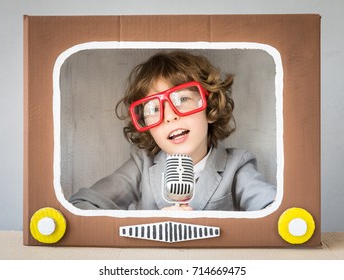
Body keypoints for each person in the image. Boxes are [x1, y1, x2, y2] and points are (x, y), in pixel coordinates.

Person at [69, 51, 276, 211]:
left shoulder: (237, 165)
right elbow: (81, 205)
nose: (170, 116)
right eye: (154, 109)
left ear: (210, 107)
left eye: (182, 99)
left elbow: (273, 208)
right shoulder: (142, 164)